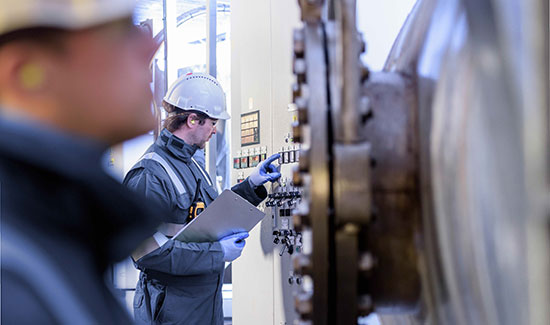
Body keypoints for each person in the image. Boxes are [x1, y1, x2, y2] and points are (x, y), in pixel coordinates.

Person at [0, 0, 162, 324]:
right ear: (27, 72)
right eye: (122, 31)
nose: (150, 45)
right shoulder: (12, 277)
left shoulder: (54, 220)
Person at [124, 72, 281, 325]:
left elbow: (213, 217)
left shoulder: (193, 166)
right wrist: (218, 252)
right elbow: (146, 254)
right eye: (213, 123)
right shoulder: (150, 174)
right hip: (172, 310)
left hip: (203, 305)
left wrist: (251, 185)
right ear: (193, 120)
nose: (215, 131)